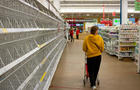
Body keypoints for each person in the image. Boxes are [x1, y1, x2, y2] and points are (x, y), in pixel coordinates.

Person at [83, 26, 104, 90]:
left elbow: (84, 48)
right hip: (98, 56)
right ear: (96, 31)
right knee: (96, 70)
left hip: (90, 57)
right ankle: (93, 82)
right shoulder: (100, 38)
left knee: (90, 71)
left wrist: (88, 51)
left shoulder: (87, 38)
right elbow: (102, 48)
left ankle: (93, 84)